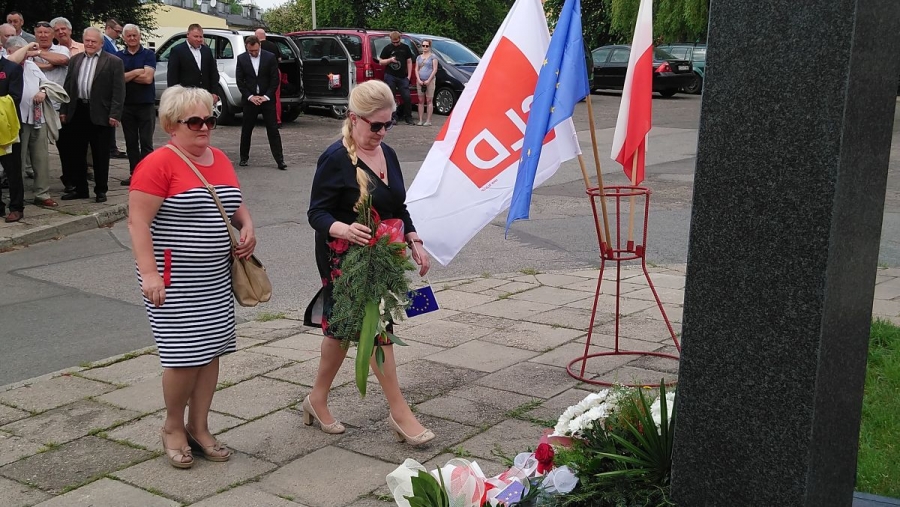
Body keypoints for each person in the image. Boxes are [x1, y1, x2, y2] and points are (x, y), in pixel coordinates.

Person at [128, 85, 256, 469]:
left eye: (210, 120)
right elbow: (138, 223)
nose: (204, 127)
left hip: (215, 277)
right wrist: (149, 274)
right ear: (172, 124)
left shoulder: (220, 159)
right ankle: (172, 427)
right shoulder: (158, 164)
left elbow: (233, 202)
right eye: (195, 121)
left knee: (210, 351)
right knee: (184, 357)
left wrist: (247, 226)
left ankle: (199, 427)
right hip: (173, 281)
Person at [304, 80, 433, 445]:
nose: (382, 132)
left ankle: (316, 399)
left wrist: (414, 239)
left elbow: (398, 206)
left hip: (383, 257)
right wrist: (344, 229)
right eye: (375, 125)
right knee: (376, 328)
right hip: (344, 260)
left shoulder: (387, 153)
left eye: (389, 123)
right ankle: (400, 412)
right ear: (354, 118)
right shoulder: (335, 159)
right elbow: (316, 213)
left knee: (342, 329)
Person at [59, 27, 125, 203]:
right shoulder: (75, 60)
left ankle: (101, 190)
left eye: (93, 41)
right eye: (87, 40)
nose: (89, 44)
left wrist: (115, 114)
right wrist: (64, 110)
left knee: (100, 154)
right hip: (78, 110)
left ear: (101, 43)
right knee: (77, 153)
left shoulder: (113, 62)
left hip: (101, 113)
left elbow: (119, 91)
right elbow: (68, 87)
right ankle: (80, 189)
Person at [8, 37, 57, 208]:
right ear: (10, 51)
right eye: (22, 52)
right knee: (18, 160)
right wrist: (29, 46)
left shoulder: (31, 65)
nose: (26, 55)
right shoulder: (6, 64)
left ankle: (42, 194)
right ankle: (17, 196)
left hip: (37, 118)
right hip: (16, 120)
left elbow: (46, 83)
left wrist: (43, 91)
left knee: (41, 158)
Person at [236, 35, 285, 170]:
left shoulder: (270, 57)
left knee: (273, 129)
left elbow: (275, 79)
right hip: (250, 100)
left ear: (260, 46)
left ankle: (280, 160)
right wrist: (250, 96)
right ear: (246, 48)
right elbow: (240, 81)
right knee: (247, 129)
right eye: (251, 51)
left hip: (267, 99)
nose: (254, 53)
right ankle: (244, 157)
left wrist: (267, 96)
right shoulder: (241, 59)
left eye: (256, 50)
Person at [116, 24, 156, 186]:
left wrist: (127, 75)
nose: (132, 38)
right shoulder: (119, 56)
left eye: (135, 35)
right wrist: (137, 72)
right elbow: (118, 79)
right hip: (127, 105)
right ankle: (134, 173)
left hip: (146, 104)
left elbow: (148, 79)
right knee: (131, 142)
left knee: (146, 142)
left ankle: (148, 174)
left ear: (139, 37)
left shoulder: (148, 54)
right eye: (129, 36)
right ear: (124, 38)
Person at [0, 37, 24, 222]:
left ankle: (16, 207)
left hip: (7, 127)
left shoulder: (12, 68)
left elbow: (15, 97)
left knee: (12, 170)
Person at [167, 24, 219, 102]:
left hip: (204, 94)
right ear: (188, 35)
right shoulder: (177, 51)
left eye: (201, 37)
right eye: (196, 36)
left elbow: (213, 72)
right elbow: (172, 76)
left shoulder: (207, 51)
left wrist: (214, 92)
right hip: (185, 96)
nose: (198, 39)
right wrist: (174, 96)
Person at [378, 31, 414, 125]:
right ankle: (393, 117)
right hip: (390, 75)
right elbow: (381, 62)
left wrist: (409, 76)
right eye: (393, 42)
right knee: (391, 97)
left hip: (403, 76)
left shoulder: (405, 48)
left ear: (400, 39)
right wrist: (390, 60)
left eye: (397, 42)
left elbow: (409, 61)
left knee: (407, 97)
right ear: (391, 40)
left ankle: (408, 117)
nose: (395, 44)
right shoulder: (387, 48)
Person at [255, 28, 282, 127]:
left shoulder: (257, 47)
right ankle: (277, 120)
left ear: (257, 36)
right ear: (265, 35)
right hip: (275, 72)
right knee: (276, 97)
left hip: (262, 74)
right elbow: (279, 59)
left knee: (262, 96)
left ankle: (265, 119)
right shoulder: (273, 45)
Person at [415, 39, 438, 126]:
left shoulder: (433, 57)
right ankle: (420, 120)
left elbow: (435, 69)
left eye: (426, 46)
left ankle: (428, 120)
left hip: (430, 81)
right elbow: (416, 69)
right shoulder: (418, 57)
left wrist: (429, 80)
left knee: (429, 100)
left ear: (429, 47)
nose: (425, 47)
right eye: (423, 46)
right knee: (420, 100)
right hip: (420, 80)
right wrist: (418, 79)